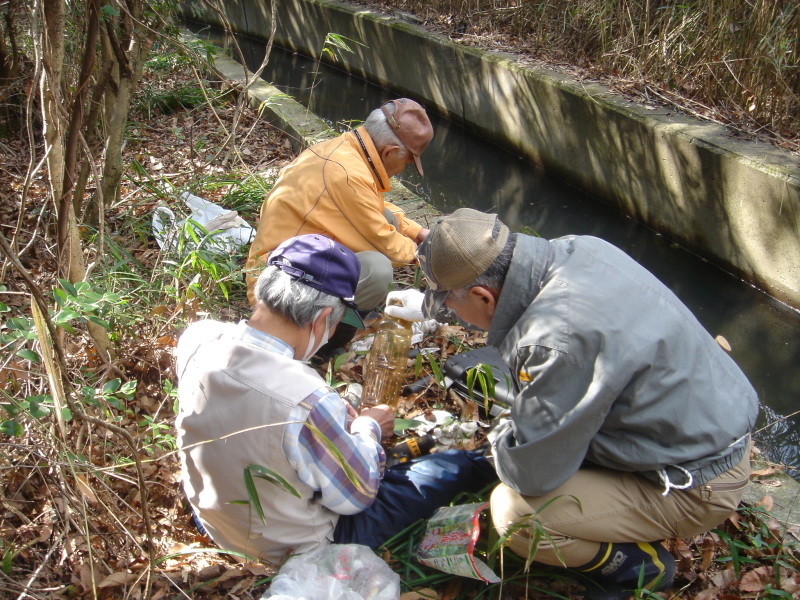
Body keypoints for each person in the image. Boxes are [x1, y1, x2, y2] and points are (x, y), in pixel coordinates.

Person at [384, 208, 759, 600]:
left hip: (698, 481)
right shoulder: (580, 247)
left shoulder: (551, 339)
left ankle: (638, 567)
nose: (450, 310)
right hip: (707, 423)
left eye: (448, 301)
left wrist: (504, 438)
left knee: (514, 513)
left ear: (482, 296)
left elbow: (533, 473)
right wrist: (428, 308)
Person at [176, 234, 496, 564]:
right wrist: (368, 428)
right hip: (285, 548)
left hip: (215, 519)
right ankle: (484, 464)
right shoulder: (306, 396)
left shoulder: (198, 338)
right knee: (447, 468)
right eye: (333, 326)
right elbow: (356, 496)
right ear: (321, 319)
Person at [244, 98, 434, 313]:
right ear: (389, 152)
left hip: (295, 257)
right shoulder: (347, 175)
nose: (403, 169)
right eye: (407, 162)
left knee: (387, 216)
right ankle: (328, 334)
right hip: (279, 288)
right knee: (377, 270)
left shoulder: (343, 151)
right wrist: (425, 254)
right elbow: (390, 251)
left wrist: (417, 232)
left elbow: (369, 205)